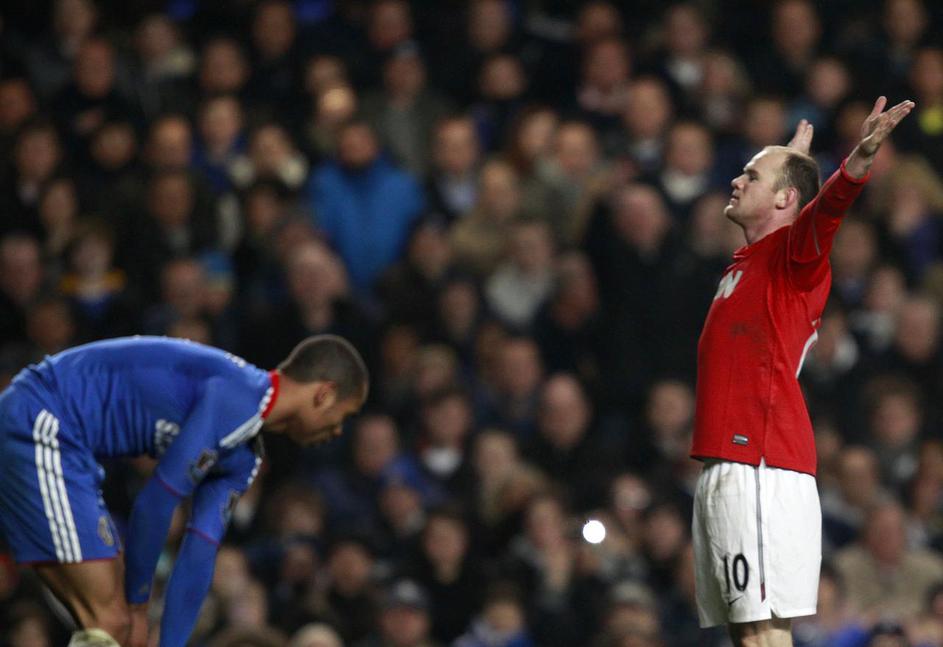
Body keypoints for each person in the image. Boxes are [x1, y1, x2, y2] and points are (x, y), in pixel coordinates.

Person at [689, 96, 915, 647]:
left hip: (759, 463)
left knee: (763, 633)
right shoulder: (750, 262)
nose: (737, 181)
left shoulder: (795, 258)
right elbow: (800, 200)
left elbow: (827, 210)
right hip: (735, 463)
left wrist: (855, 163)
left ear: (785, 199)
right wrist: (786, 162)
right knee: (750, 633)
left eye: (752, 176)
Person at [0, 334, 369, 647]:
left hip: (63, 443)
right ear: (324, 395)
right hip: (43, 420)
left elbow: (198, 555)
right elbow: (154, 504)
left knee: (113, 625)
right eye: (346, 416)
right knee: (113, 620)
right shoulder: (237, 397)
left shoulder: (244, 457)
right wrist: (140, 607)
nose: (339, 431)